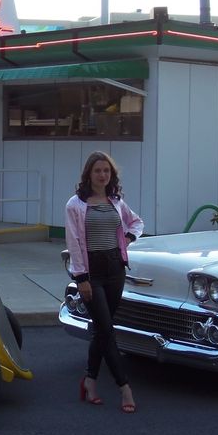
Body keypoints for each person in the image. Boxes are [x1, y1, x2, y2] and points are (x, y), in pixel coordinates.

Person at [65, 151, 145, 413]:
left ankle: (89, 381)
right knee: (107, 331)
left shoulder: (116, 202)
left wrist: (128, 239)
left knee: (102, 330)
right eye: (98, 170)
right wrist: (81, 279)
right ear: (89, 174)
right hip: (92, 273)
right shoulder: (75, 205)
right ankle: (124, 388)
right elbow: (74, 243)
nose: (102, 175)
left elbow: (136, 222)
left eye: (106, 171)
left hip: (115, 269)